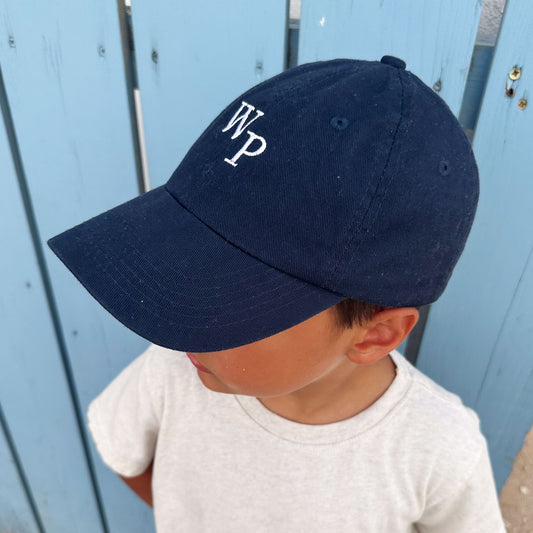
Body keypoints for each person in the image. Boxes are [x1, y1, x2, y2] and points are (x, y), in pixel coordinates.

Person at [47, 56, 506, 532]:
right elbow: (125, 453)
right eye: (186, 273)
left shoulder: (439, 448)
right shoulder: (171, 372)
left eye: (235, 302)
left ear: (376, 334)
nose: (183, 327)